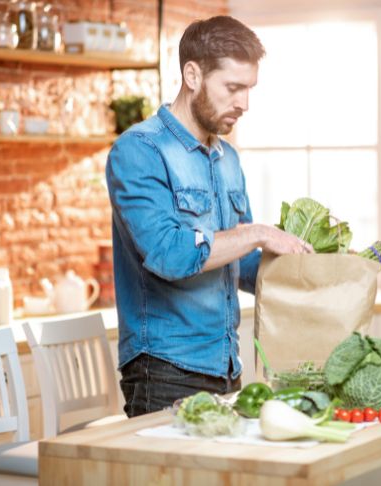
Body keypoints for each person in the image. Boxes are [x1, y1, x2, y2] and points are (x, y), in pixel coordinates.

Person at [106, 15, 313, 418]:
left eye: (249, 89)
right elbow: (168, 254)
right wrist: (256, 233)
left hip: (227, 367)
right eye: (233, 88)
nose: (244, 103)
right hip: (165, 372)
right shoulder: (139, 151)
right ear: (193, 75)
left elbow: (243, 265)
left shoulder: (227, 158)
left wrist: (307, 264)